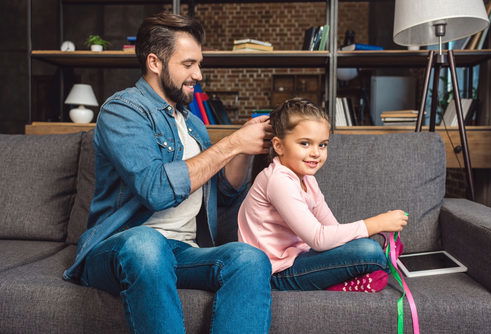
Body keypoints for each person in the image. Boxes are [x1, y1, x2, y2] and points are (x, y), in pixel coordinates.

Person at [63, 11, 273, 334]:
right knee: (148, 244)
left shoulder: (193, 124)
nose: (199, 74)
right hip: (120, 248)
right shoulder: (122, 110)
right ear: (155, 63)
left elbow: (226, 194)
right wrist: (230, 144)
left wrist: (243, 149)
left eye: (199, 64)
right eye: (188, 64)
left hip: (183, 251)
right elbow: (157, 189)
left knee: (250, 260)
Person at [238, 97, 408, 292]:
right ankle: (351, 277)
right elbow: (318, 238)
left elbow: (332, 228)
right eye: (305, 143)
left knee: (365, 245)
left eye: (322, 145)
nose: (316, 153)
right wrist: (376, 223)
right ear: (279, 146)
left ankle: (357, 274)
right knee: (368, 251)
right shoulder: (278, 180)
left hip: (297, 259)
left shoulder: (307, 180)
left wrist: (372, 232)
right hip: (274, 273)